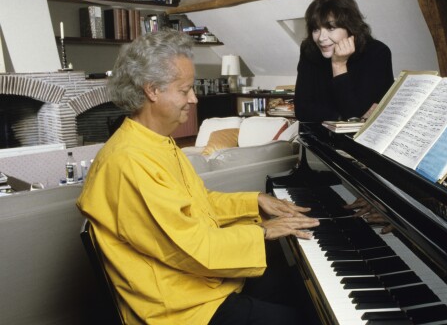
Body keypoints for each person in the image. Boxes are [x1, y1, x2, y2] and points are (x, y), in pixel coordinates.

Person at [77, 29, 320, 325]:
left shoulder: (155, 141)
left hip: (201, 285)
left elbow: (197, 203)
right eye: (184, 90)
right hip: (181, 309)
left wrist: (254, 201)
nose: (193, 99)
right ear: (152, 90)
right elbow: (193, 249)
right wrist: (264, 231)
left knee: (304, 289)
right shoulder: (128, 161)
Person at [294, 0, 394, 122]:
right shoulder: (309, 50)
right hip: (317, 137)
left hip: (358, 140)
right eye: (316, 29)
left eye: (331, 28)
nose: (321, 38)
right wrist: (340, 117)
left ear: (350, 27)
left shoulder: (377, 53)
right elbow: (302, 110)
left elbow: (354, 114)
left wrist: (339, 65)